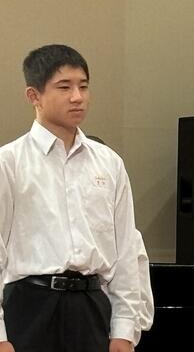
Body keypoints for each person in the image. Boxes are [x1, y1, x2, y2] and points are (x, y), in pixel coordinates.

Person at [0, 44, 139, 352]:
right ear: (34, 96)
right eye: (64, 87)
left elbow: (126, 250)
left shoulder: (109, 162)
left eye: (83, 86)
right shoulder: (9, 162)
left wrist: (125, 328)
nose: (77, 97)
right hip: (29, 305)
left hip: (91, 304)